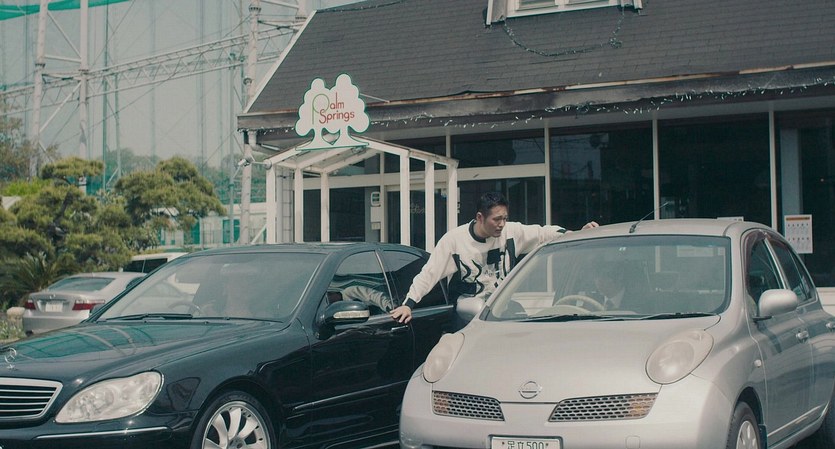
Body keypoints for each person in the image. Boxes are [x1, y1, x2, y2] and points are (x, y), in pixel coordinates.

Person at [390, 192, 599, 323]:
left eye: (505, 218)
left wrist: (575, 233)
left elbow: (542, 233)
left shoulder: (511, 232)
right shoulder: (454, 241)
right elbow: (429, 273)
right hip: (468, 313)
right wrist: (409, 304)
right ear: (480, 217)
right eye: (496, 219)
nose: (501, 224)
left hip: (502, 309)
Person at [327, 284, 394, 313]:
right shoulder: (332, 309)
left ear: (332, 292)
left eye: (327, 297)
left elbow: (374, 296)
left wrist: (391, 307)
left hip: (382, 317)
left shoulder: (350, 292)